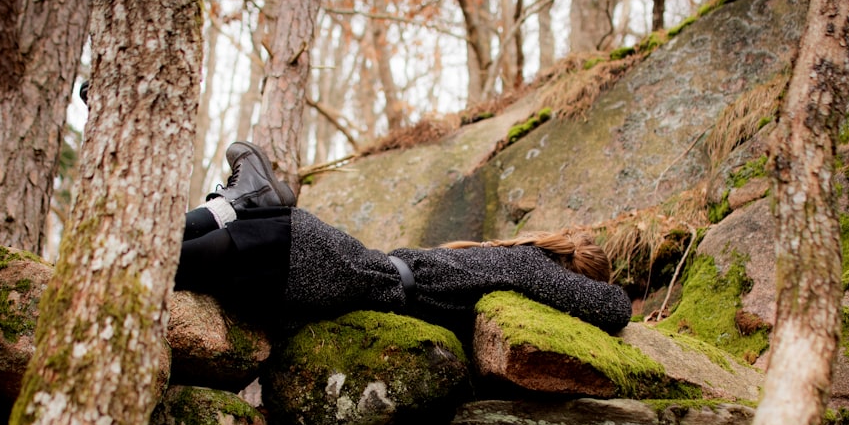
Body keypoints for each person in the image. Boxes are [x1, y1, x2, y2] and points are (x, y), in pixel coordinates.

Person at [175, 142, 633, 334]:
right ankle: (245, 199)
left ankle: (241, 201)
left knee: (158, 258)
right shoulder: (533, 268)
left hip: (321, 258)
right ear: (574, 278)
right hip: (321, 263)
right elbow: (615, 309)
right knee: (157, 263)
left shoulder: (504, 266)